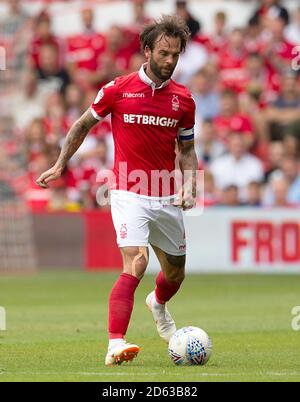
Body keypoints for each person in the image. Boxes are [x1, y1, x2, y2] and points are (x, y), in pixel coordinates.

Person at [36, 16, 197, 366]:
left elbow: (186, 150)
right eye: (164, 53)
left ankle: (157, 303)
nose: (170, 61)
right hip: (128, 189)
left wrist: (190, 184)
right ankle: (115, 343)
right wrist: (61, 163)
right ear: (147, 51)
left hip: (166, 194)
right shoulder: (117, 89)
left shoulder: (183, 100)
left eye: (176, 55)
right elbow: (81, 125)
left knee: (175, 273)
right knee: (137, 262)